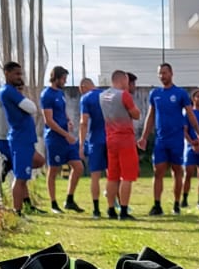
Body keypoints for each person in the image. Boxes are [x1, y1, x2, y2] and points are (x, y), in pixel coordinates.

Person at [138, 62, 192, 216]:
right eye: (160, 73)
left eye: (165, 73)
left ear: (171, 73)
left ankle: (176, 204)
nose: (162, 76)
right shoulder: (155, 94)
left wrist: (198, 133)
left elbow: (190, 114)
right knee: (158, 172)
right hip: (161, 140)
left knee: (177, 172)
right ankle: (157, 205)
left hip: (176, 140)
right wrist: (144, 137)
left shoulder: (180, 93)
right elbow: (150, 116)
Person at [0, 60, 42, 215]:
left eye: (20, 74)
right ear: (7, 73)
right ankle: (18, 211)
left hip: (26, 138)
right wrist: (22, 96)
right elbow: (32, 108)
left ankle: (12, 165)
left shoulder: (14, 91)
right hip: (20, 138)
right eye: (16, 74)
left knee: (38, 161)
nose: (19, 77)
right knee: (21, 176)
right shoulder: (8, 91)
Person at [100, 69, 141, 220]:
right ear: (123, 80)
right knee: (127, 176)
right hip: (125, 138)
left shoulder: (102, 96)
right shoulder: (124, 95)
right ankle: (123, 211)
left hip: (110, 138)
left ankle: (111, 210)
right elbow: (136, 114)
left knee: (112, 176)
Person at [40, 66, 82, 213]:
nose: (65, 81)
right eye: (63, 78)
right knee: (53, 170)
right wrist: (66, 134)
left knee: (78, 167)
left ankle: (69, 200)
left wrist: (68, 120)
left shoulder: (60, 93)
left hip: (65, 137)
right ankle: (53, 204)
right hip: (55, 138)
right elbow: (49, 121)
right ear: (56, 78)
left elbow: (62, 111)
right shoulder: (47, 95)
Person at [77, 76, 108, 217]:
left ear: (83, 87)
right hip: (111, 138)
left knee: (95, 176)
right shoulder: (107, 95)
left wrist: (81, 144)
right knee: (112, 174)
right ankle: (116, 206)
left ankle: (96, 209)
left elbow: (84, 122)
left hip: (95, 139)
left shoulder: (86, 99)